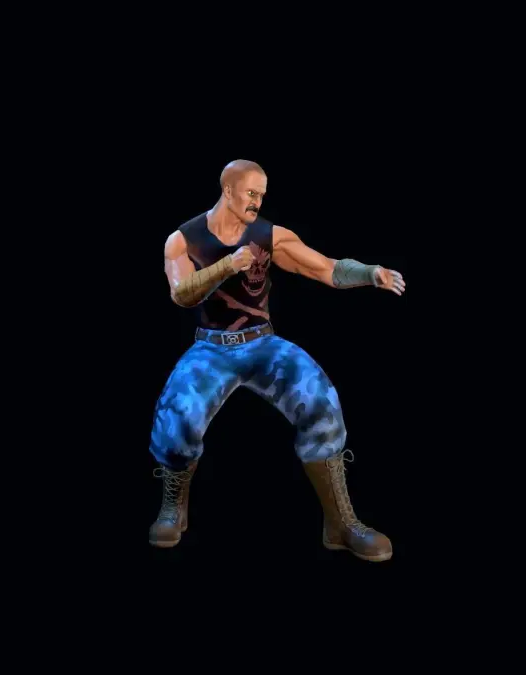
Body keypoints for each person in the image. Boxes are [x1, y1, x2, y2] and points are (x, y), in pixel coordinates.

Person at [148, 159, 406, 562]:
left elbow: (326, 268)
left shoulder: (270, 235)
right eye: (251, 193)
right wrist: (226, 266)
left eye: (262, 195)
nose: (257, 201)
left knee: (321, 400)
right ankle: (172, 507)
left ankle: (341, 523)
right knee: (176, 415)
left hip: (262, 343)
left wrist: (370, 273)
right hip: (210, 348)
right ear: (228, 190)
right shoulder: (183, 240)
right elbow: (181, 295)